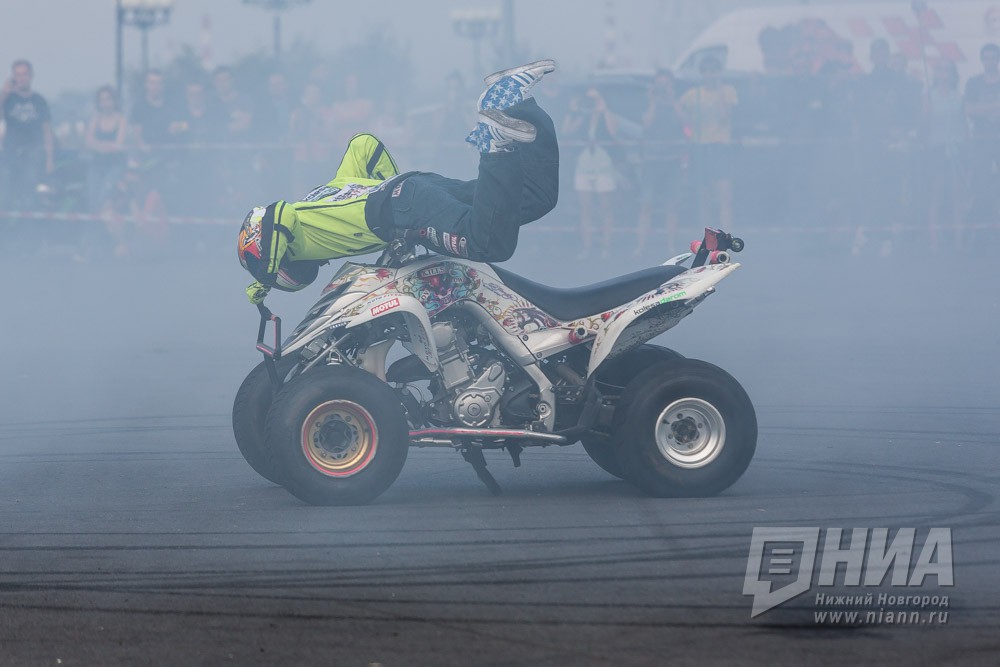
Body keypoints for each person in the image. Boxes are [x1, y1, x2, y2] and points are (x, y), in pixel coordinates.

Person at [238, 60, 558, 304]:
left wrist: (264, 276)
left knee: (486, 244)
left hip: (407, 207)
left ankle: (495, 145)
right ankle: (514, 100)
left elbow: (278, 214)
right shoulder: (328, 193)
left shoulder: (296, 229)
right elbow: (364, 145)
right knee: (533, 197)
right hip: (415, 189)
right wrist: (394, 190)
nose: (296, 272)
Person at [678, 55, 739, 232]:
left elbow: (724, 116)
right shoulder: (693, 94)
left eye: (714, 71)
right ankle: (709, 238)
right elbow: (680, 111)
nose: (710, 75)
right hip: (701, 148)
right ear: (702, 73)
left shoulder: (728, 91)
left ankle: (726, 237)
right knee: (703, 198)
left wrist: (719, 89)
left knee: (725, 197)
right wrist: (687, 122)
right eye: (707, 71)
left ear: (719, 73)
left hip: (721, 147)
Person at [562, 86, 619, 259]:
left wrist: (604, 109)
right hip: (584, 164)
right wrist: (573, 110)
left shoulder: (607, 114)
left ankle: (606, 246)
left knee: (606, 207)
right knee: (585, 208)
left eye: (595, 99)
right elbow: (566, 131)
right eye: (589, 100)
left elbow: (613, 131)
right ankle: (587, 246)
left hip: (603, 164)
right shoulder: (583, 116)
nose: (592, 103)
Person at [636, 69, 685, 256]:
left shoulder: (676, 103)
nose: (663, 88)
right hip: (651, 160)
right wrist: (653, 101)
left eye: (666, 84)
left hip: (673, 160)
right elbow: (646, 124)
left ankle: (671, 245)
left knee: (672, 204)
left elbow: (684, 121)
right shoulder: (648, 102)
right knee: (646, 204)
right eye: (660, 84)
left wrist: (672, 100)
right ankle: (641, 246)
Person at [1, 59, 54, 211]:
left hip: (33, 151)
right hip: (10, 151)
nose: (21, 78)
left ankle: (28, 219)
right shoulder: (8, 100)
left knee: (29, 187)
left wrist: (49, 159)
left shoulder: (39, 101)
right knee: (5, 186)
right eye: (17, 75)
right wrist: (4, 93)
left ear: (31, 76)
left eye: (24, 74)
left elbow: (47, 131)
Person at [964, 43, 1000, 226]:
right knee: (981, 182)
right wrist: (994, 107)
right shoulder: (973, 83)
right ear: (981, 60)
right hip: (981, 140)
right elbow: (969, 110)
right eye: (986, 58)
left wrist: (982, 108)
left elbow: (976, 109)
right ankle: (984, 223)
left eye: (993, 58)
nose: (990, 62)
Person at [84, 85, 127, 213]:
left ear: (114, 101)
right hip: (97, 164)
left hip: (115, 165)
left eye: (108, 99)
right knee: (92, 197)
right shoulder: (95, 119)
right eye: (102, 100)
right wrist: (104, 146)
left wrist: (98, 145)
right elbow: (88, 142)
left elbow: (119, 145)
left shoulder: (121, 119)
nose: (105, 103)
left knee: (104, 195)